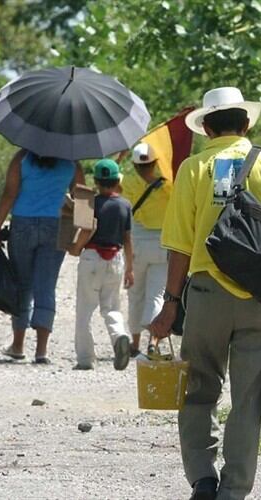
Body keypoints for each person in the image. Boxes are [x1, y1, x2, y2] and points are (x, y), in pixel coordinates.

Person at [149, 86, 261, 500]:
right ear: (246, 124)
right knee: (249, 397)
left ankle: (203, 479)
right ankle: (234, 490)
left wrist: (170, 304)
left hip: (206, 295)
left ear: (205, 128)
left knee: (199, 389)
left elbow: (180, 246)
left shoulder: (192, 169)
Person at [0, 149, 84, 364]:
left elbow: (9, 193)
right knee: (46, 285)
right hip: (57, 225)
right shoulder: (72, 162)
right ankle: (41, 351)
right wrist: (81, 235)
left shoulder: (21, 158)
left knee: (22, 285)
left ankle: (18, 345)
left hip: (22, 223)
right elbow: (82, 197)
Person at [67, 159, 134, 371]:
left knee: (85, 310)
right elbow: (128, 239)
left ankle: (86, 359)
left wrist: (75, 248)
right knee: (112, 307)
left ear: (95, 181)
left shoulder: (89, 203)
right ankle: (119, 335)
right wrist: (130, 268)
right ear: (118, 181)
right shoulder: (125, 205)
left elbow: (86, 230)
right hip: (115, 259)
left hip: (91, 258)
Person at [120, 142, 173, 357]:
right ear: (155, 162)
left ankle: (135, 344)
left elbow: (109, 179)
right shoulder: (169, 185)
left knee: (136, 295)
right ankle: (154, 341)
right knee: (157, 295)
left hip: (137, 243)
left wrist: (120, 156)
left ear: (134, 164)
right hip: (162, 243)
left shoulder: (128, 182)